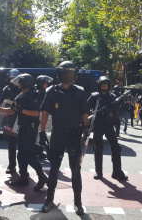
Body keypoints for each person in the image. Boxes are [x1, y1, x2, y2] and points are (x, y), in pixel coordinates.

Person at [39, 61, 90, 215]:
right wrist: (42, 133)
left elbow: (84, 114)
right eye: (65, 73)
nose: (67, 76)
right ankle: (49, 200)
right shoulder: (51, 91)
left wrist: (86, 130)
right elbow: (45, 113)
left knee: (75, 169)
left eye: (70, 74)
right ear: (59, 74)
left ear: (74, 75)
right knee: (54, 168)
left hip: (74, 135)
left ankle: (78, 203)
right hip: (58, 134)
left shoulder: (80, 92)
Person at [0, 74, 47, 191]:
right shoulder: (21, 95)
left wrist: (21, 110)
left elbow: (35, 113)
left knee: (29, 155)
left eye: (20, 83)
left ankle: (42, 176)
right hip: (22, 128)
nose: (18, 85)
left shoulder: (33, 95)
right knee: (21, 155)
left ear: (26, 83)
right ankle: (23, 177)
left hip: (30, 129)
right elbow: (11, 110)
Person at [87, 76, 128, 181]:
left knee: (116, 148)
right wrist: (94, 113)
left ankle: (117, 171)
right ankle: (98, 171)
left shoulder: (113, 97)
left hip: (109, 125)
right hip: (98, 125)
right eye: (102, 85)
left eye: (106, 85)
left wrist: (114, 111)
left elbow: (118, 111)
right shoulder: (94, 96)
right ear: (99, 85)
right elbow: (85, 109)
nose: (104, 87)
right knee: (98, 148)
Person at [0, 69, 21, 174]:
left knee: (22, 145)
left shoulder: (23, 88)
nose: (13, 80)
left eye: (15, 78)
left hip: (21, 118)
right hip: (10, 118)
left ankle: (23, 167)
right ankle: (12, 165)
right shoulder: (6, 89)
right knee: (11, 144)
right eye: (12, 78)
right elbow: (1, 102)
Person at [35, 75, 54, 160]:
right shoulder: (41, 93)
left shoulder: (41, 92)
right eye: (46, 83)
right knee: (41, 134)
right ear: (42, 83)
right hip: (41, 116)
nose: (47, 84)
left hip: (43, 115)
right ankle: (38, 152)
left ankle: (40, 152)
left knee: (42, 134)